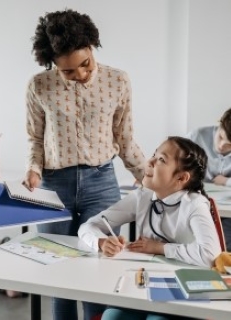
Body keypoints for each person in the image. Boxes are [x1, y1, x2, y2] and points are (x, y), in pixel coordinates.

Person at [23, 9, 146, 320]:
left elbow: (125, 139)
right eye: (68, 71)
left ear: (93, 47)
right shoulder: (39, 86)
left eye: (85, 64)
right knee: (57, 268)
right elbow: (36, 139)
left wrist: (148, 176)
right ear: (52, 63)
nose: (80, 74)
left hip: (101, 182)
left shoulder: (118, 81)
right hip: (53, 185)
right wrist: (34, 170)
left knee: (98, 267)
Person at [79, 136, 222, 320]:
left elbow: (210, 255)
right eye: (154, 155)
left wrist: (159, 248)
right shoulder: (142, 196)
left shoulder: (194, 205)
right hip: (143, 287)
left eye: (161, 160)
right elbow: (88, 226)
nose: (150, 161)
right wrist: (100, 241)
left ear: (181, 178)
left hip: (183, 293)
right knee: (112, 317)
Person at [188, 107, 231, 250]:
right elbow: (172, 162)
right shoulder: (197, 136)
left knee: (225, 239)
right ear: (219, 125)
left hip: (225, 211)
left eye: (229, 145)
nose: (221, 146)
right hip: (196, 202)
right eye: (220, 137)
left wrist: (226, 181)